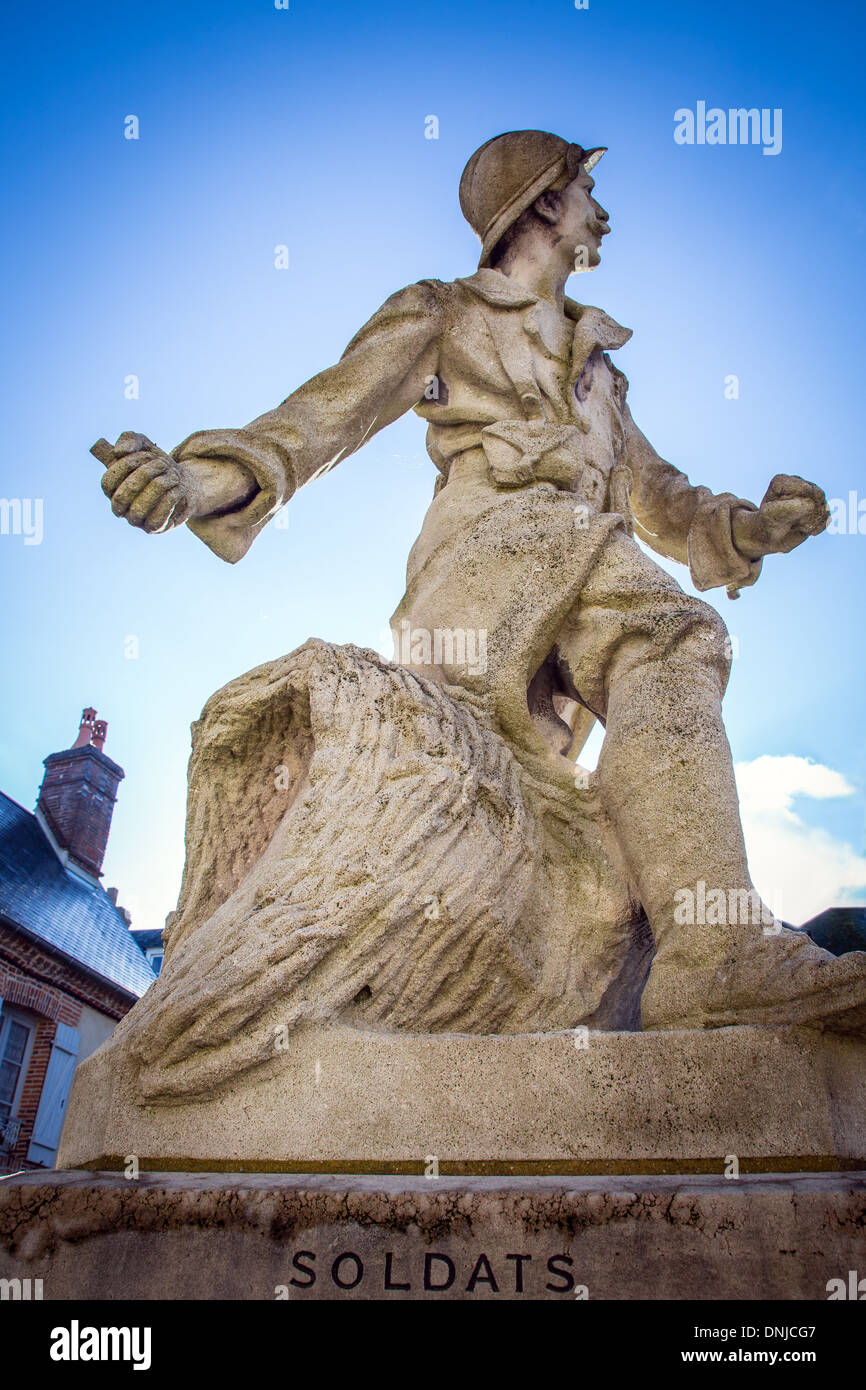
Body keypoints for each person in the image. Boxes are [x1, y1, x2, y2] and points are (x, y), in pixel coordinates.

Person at [95, 129, 866, 1034]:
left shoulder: (601, 374)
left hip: (578, 565)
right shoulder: (444, 311)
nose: (602, 209)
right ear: (546, 203)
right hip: (487, 564)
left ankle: (697, 955)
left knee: (616, 719)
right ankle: (717, 956)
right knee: (671, 634)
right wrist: (193, 483)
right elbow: (322, 419)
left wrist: (751, 529)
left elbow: (665, 497)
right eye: (585, 187)